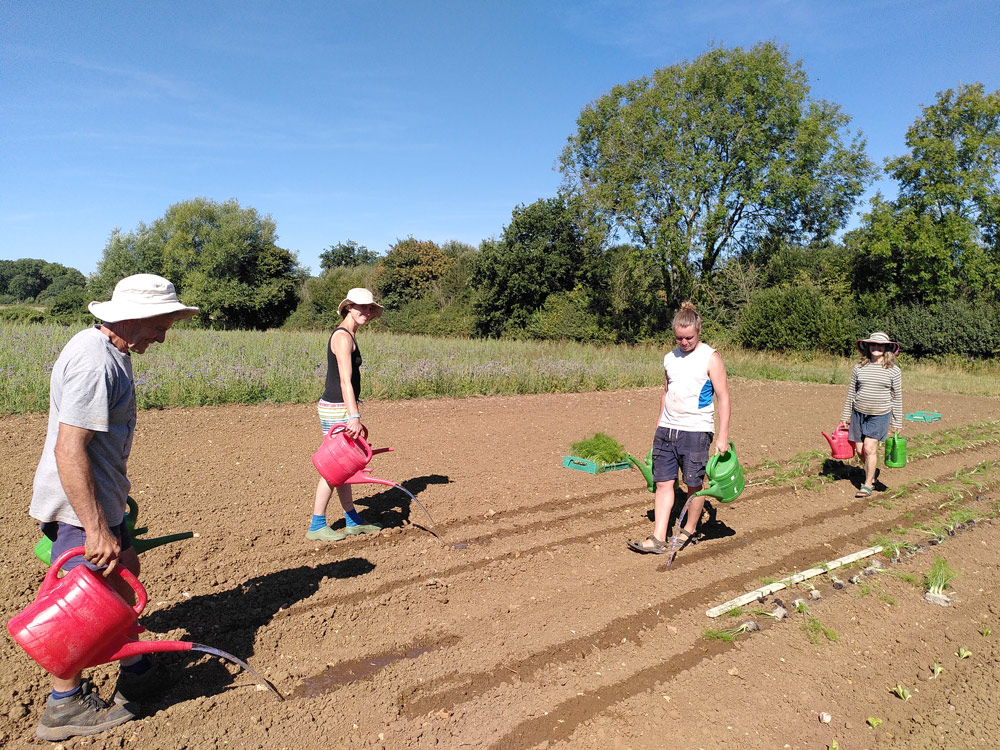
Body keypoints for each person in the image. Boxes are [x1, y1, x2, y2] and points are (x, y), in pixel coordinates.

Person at [28, 274, 198, 741]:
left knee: (125, 574)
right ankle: (63, 704)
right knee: (81, 604)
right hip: (80, 510)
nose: (162, 336)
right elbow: (69, 449)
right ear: (133, 317)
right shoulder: (94, 361)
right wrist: (95, 527)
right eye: (160, 325)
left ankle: (137, 669)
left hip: (102, 502)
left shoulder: (111, 352)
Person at [627, 301, 731, 555]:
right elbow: (666, 393)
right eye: (679, 338)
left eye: (689, 338)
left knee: (694, 484)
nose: (684, 342)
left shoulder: (711, 357)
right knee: (663, 483)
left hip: (696, 430)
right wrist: (659, 425)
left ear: (699, 331)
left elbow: (723, 397)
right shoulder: (669, 358)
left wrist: (723, 436)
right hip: (667, 429)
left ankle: (689, 530)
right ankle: (658, 537)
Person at [307, 287, 384, 541]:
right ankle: (317, 524)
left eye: (370, 308)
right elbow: (344, 381)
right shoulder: (342, 337)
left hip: (340, 406)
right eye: (362, 307)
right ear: (349, 307)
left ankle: (352, 520)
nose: (367, 312)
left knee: (345, 466)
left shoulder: (349, 334)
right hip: (338, 408)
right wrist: (354, 416)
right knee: (334, 467)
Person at [839, 331, 902, 499]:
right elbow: (851, 393)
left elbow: (897, 397)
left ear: (886, 348)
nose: (876, 347)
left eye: (880, 345)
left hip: (880, 415)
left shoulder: (894, 371)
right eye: (873, 344)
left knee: (869, 448)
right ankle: (872, 471)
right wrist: (845, 416)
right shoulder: (859, 368)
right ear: (868, 347)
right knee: (860, 450)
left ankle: (867, 484)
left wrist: (897, 422)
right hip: (858, 414)